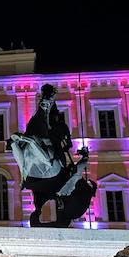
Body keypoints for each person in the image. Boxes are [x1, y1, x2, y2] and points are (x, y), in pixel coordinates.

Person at [7, 84, 96, 227]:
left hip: (55, 149)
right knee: (73, 171)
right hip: (50, 148)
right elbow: (68, 143)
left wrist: (77, 152)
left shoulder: (61, 127)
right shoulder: (58, 126)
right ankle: (20, 162)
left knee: (74, 172)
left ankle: (19, 161)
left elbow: (67, 143)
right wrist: (81, 155)